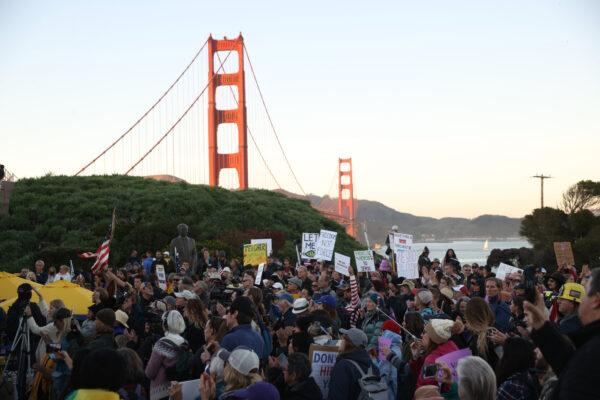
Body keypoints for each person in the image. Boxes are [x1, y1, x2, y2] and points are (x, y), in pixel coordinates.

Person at [525, 267, 600, 400]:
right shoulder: (589, 342)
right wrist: (542, 328)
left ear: (596, 300)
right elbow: (571, 364)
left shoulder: (593, 352)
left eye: (586, 292)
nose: (581, 300)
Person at [145, 310, 188, 400]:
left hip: (161, 392)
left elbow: (150, 372)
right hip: (178, 389)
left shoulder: (162, 344)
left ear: (166, 324)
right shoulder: (185, 343)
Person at [328, 327, 379, 400]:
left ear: (349, 343)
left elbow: (336, 396)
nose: (341, 341)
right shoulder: (374, 367)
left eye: (343, 339)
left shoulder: (343, 366)